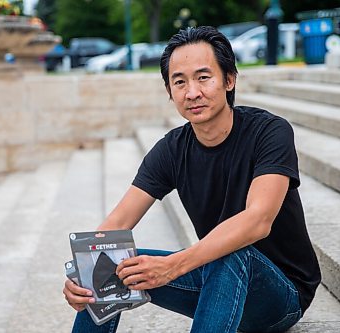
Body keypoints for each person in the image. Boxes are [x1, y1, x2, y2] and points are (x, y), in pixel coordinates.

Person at [63, 26, 321, 333]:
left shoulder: (270, 132)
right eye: (179, 82)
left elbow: (257, 220)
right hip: (216, 280)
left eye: (203, 77)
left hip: (280, 296)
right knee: (114, 265)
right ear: (170, 92)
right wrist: (84, 273)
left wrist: (173, 266)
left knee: (231, 253)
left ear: (229, 79)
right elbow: (117, 222)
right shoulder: (171, 149)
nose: (192, 92)